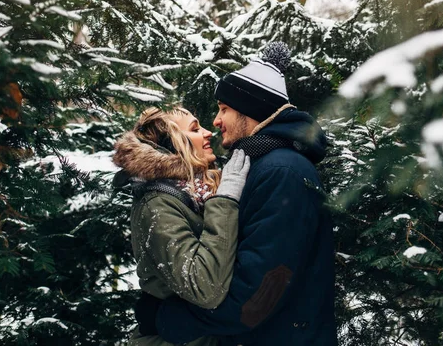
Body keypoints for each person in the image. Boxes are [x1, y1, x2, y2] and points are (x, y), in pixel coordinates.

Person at [135, 42, 337, 345]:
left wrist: (166, 317)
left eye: (224, 109)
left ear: (250, 109)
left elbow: (256, 296)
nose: (214, 123)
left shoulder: (281, 172)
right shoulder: (261, 166)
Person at [112, 106, 250, 346]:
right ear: (172, 146)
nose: (208, 132)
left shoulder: (199, 190)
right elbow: (204, 288)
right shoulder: (157, 204)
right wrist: (225, 201)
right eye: (195, 129)